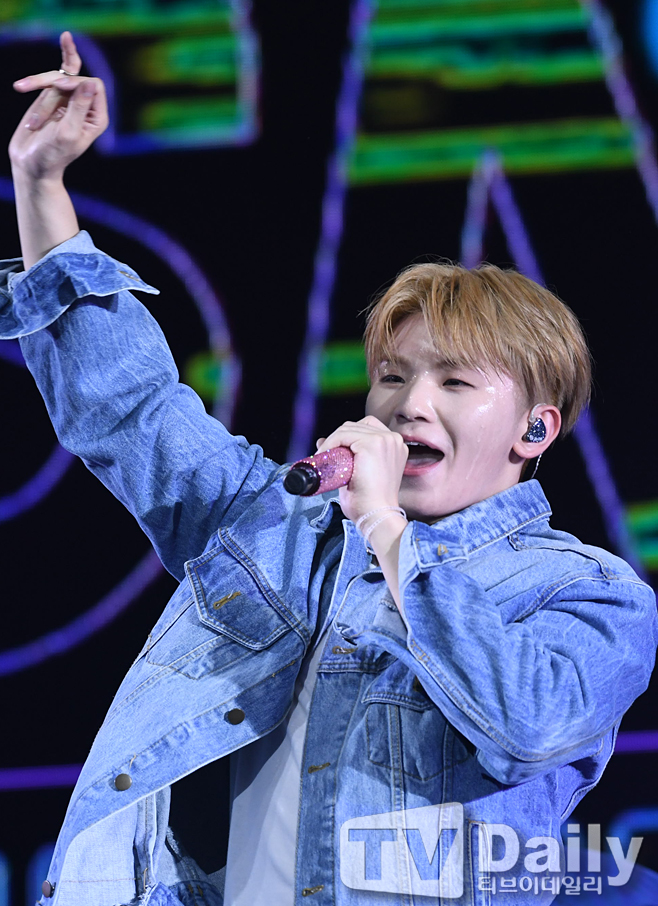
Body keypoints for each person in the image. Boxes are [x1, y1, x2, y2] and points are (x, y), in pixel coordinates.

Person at [2, 33, 656, 906]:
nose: (409, 404)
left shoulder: (591, 595)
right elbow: (131, 406)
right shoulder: (275, 526)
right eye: (393, 375)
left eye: (455, 382)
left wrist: (389, 531)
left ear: (535, 429)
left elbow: (526, 722)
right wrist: (41, 185)